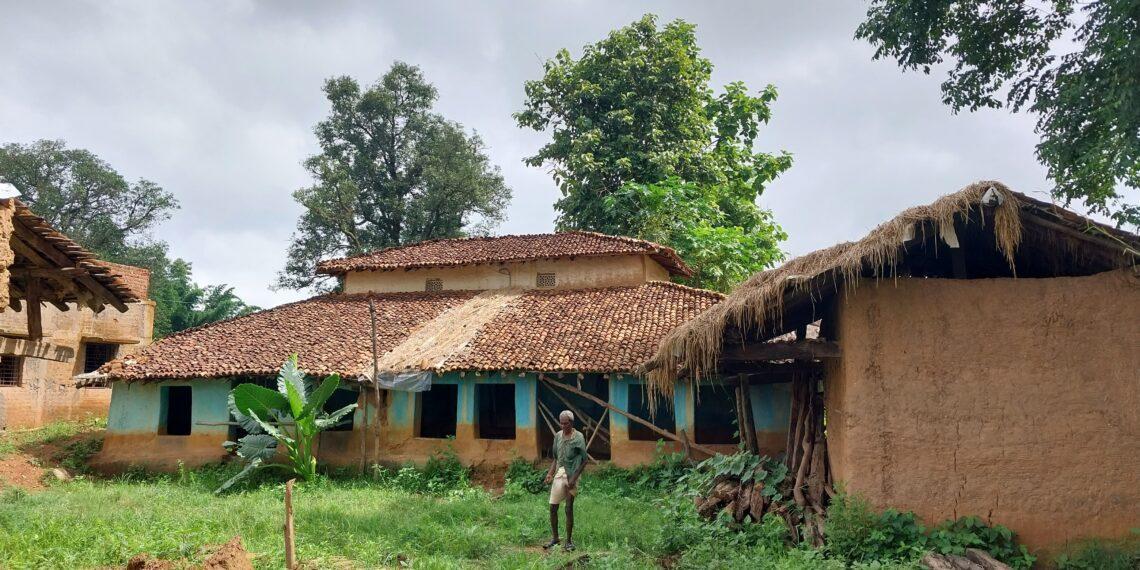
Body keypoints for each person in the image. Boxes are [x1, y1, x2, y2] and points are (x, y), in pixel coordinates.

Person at [543, 409, 587, 552]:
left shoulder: (578, 437)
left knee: (568, 508)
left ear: (572, 423)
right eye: (561, 423)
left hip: (572, 473)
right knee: (553, 507)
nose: (563, 426)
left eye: (566, 423)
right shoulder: (558, 436)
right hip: (559, 473)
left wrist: (574, 478)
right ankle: (555, 538)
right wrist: (550, 473)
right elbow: (556, 458)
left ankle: (568, 541)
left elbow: (584, 461)